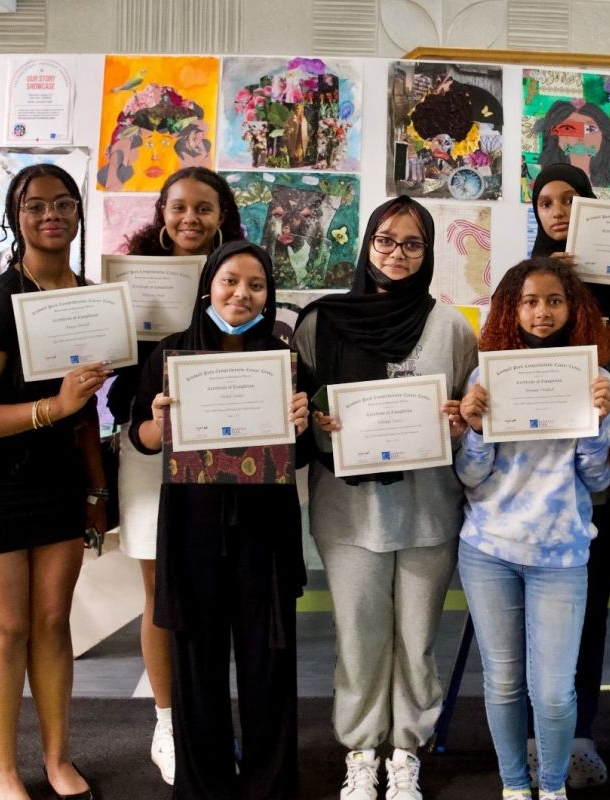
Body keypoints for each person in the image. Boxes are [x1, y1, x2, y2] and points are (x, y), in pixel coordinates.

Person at [293, 196, 477, 800]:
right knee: (359, 635)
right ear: (366, 243)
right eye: (385, 240)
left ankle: (406, 751)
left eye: (412, 243)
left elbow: (472, 416)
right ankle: (362, 749)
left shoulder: (450, 327)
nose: (397, 254)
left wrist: (459, 420)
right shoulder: (321, 322)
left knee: (418, 639)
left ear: (427, 255)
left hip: (428, 510)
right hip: (348, 514)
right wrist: (318, 424)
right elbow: (299, 415)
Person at [0, 163, 110, 800]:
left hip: (57, 476)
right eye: (36, 205)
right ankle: (3, 771)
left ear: (77, 213)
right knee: (7, 627)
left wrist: (96, 492)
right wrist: (52, 409)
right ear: (15, 217)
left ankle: (58, 759)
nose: (51, 215)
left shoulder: (85, 296)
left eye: (63, 203)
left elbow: (86, 408)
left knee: (53, 621)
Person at [128, 240, 310, 799]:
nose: (242, 293)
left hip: (265, 530)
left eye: (256, 285)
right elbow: (141, 438)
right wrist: (159, 423)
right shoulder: (170, 355)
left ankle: (269, 782)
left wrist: (301, 427)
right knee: (196, 662)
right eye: (231, 280)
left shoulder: (284, 356)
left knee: (268, 660)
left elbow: (299, 457)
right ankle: (202, 783)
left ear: (269, 296)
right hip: (193, 528)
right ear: (209, 283)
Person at [455, 258, 610, 800]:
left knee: (551, 693)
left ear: (573, 307)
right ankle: (512, 787)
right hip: (489, 548)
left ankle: (551, 788)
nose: (541, 312)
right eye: (529, 301)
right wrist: (476, 430)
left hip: (561, 553)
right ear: (511, 308)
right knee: (503, 682)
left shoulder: (597, 382)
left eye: (553, 300)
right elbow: (470, 475)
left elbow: (595, 477)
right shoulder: (488, 375)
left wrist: (598, 426)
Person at [106, 166, 244, 786]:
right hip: (148, 445)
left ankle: (213, 719)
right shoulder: (128, 282)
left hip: (223, 448)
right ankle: (167, 720)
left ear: (223, 216)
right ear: (161, 213)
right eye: (179, 207)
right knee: (162, 594)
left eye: (204, 209)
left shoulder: (240, 274)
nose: (190, 219)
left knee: (221, 591)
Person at [530, 163, 610, 787]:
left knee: (589, 608)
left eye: (569, 199)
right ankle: (531, 725)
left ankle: (579, 734)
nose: (557, 210)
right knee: (531, 615)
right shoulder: (525, 283)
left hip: (598, 472)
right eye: (545, 201)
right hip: (534, 479)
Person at [535, 101, 610, 192]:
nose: (580, 138)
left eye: (590, 129)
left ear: (603, 136)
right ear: (555, 136)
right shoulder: (547, 180)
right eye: (568, 128)